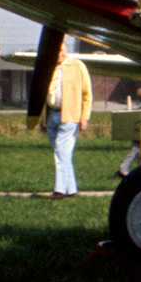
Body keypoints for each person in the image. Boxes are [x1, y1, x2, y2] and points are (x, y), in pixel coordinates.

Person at [42, 43, 92, 199]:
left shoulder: (77, 66)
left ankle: (59, 190)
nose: (59, 54)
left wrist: (84, 117)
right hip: (52, 115)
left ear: (66, 51)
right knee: (64, 154)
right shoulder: (48, 67)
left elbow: (87, 94)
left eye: (61, 51)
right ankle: (71, 190)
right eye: (55, 51)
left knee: (60, 151)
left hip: (70, 115)